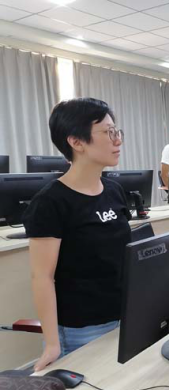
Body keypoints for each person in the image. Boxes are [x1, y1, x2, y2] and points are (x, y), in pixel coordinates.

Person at [23, 98, 131, 372]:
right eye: (108, 132)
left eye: (116, 131)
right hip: (82, 328)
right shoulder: (50, 202)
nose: (117, 140)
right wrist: (52, 344)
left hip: (124, 315)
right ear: (76, 142)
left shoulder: (114, 191)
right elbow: (42, 277)